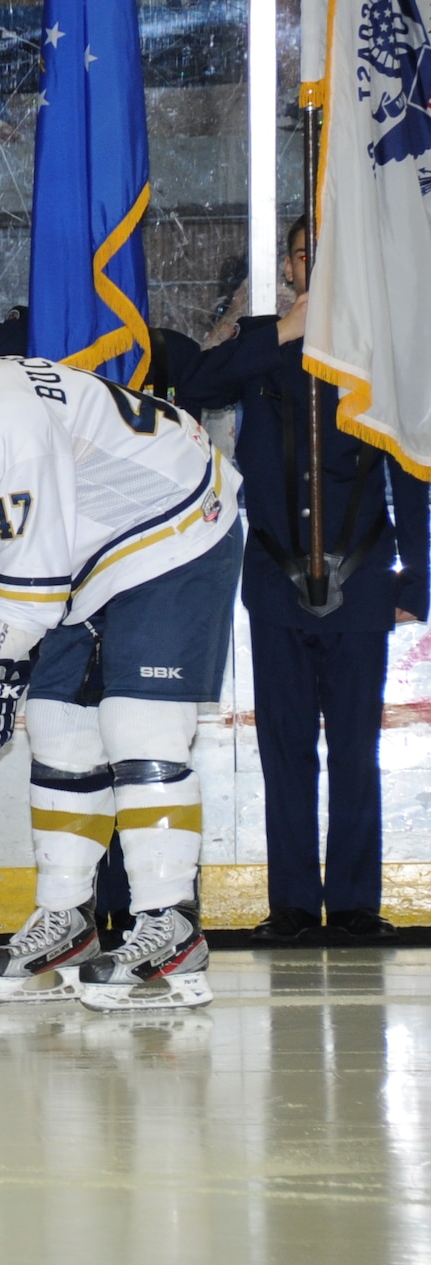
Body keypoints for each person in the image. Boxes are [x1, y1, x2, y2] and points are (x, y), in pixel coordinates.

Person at [0, 304, 243, 1012]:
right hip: (87, 556)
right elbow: (24, 554)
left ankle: (170, 923)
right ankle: (69, 922)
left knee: (137, 726)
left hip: (175, 524)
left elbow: (27, 583)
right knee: (59, 721)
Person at [176, 218, 424, 941]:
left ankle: (350, 906)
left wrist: (419, 575)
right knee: (283, 747)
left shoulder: (382, 343)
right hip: (277, 577)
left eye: (326, 251)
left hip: (364, 574)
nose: (311, 262)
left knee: (353, 749)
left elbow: (410, 463)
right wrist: (284, 331)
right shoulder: (265, 340)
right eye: (300, 251)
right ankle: (291, 905)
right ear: (286, 266)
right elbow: (196, 383)